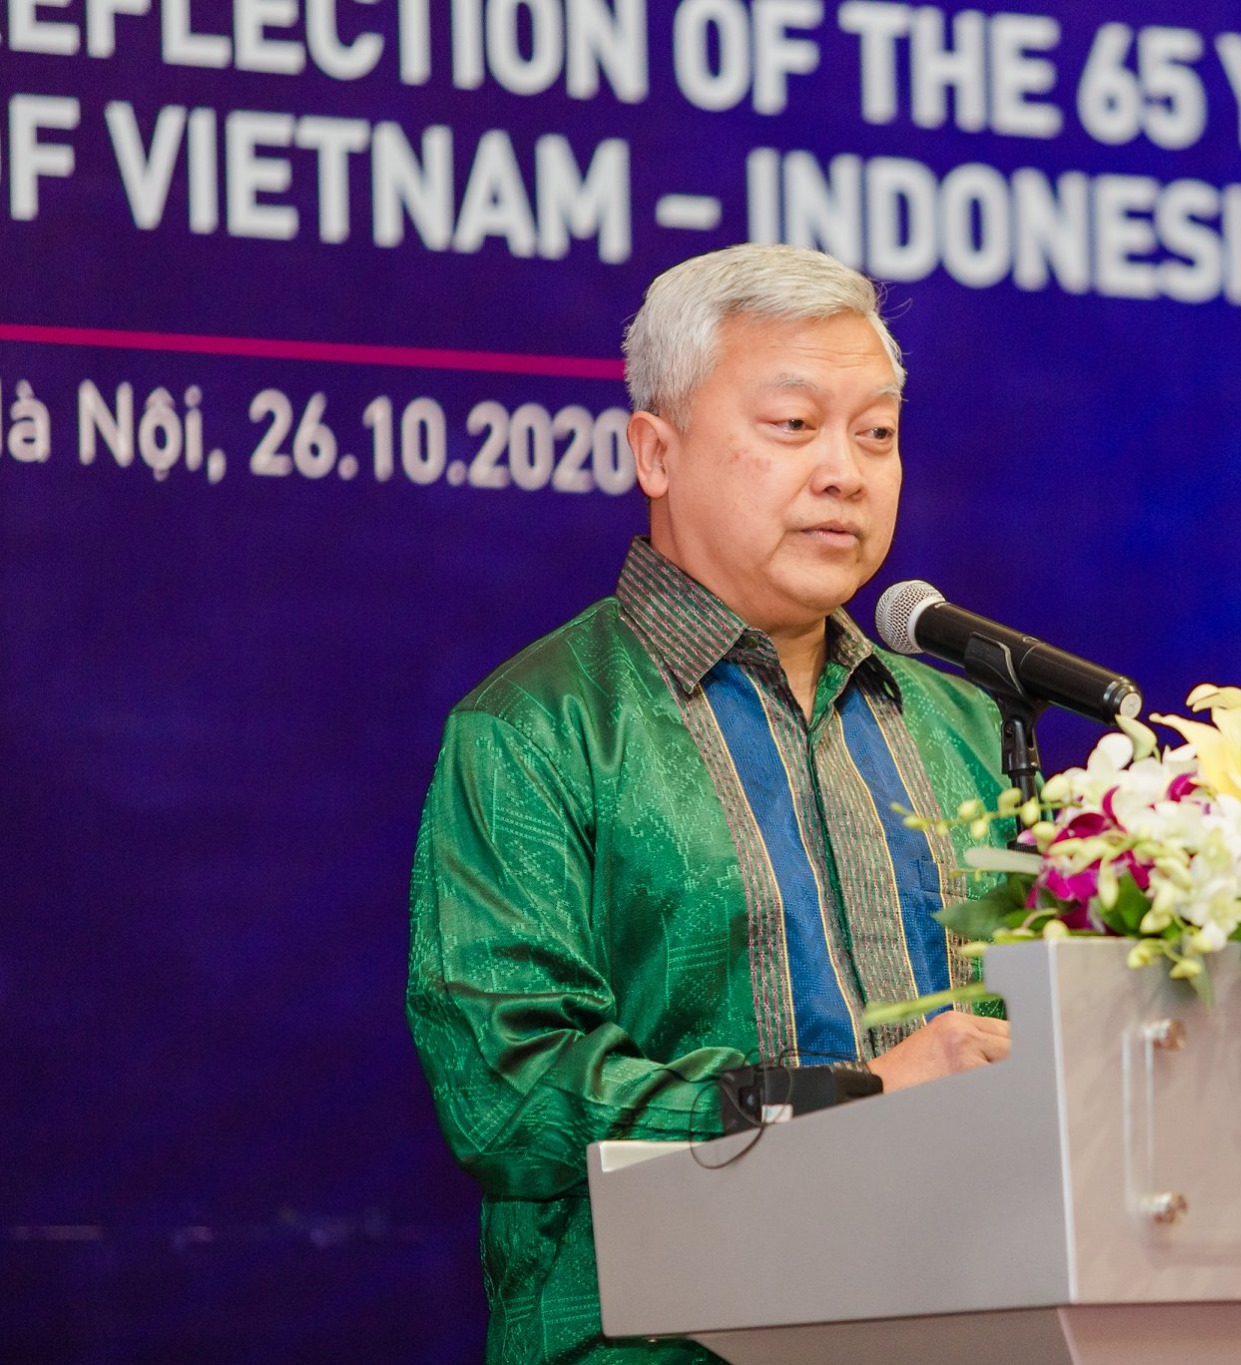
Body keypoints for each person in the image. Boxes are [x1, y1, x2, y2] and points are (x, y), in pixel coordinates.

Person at [406, 244, 1013, 1365]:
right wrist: (849, 1097)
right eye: (794, 425)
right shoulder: (538, 728)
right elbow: (511, 1092)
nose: (845, 472)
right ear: (656, 451)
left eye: (876, 434)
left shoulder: (968, 728)